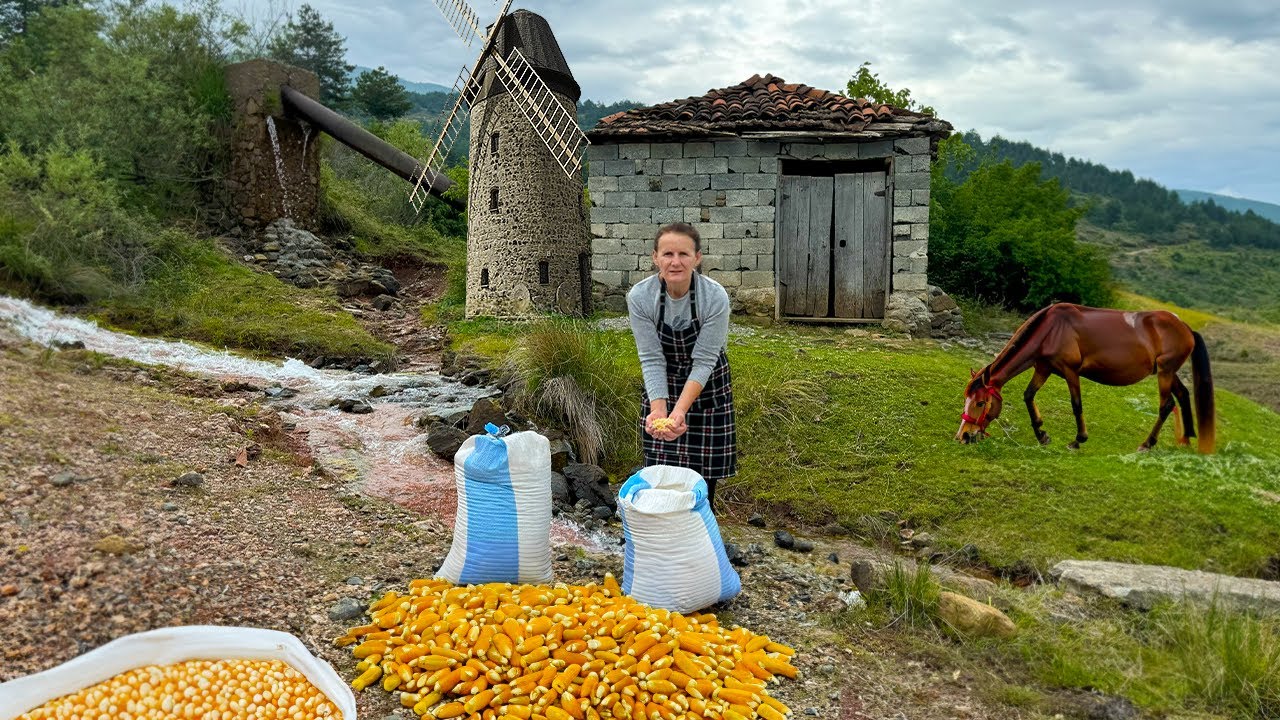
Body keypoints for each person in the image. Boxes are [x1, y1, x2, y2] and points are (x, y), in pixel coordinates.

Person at [627, 223, 736, 511]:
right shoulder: (640, 297)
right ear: (655, 257)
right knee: (659, 472)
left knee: (703, 477)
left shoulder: (714, 297)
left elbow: (704, 360)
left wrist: (680, 411)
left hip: (707, 386)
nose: (676, 262)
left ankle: (700, 533)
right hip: (662, 383)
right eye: (668, 254)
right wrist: (660, 411)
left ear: (697, 258)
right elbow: (651, 358)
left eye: (684, 254)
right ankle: (662, 538)